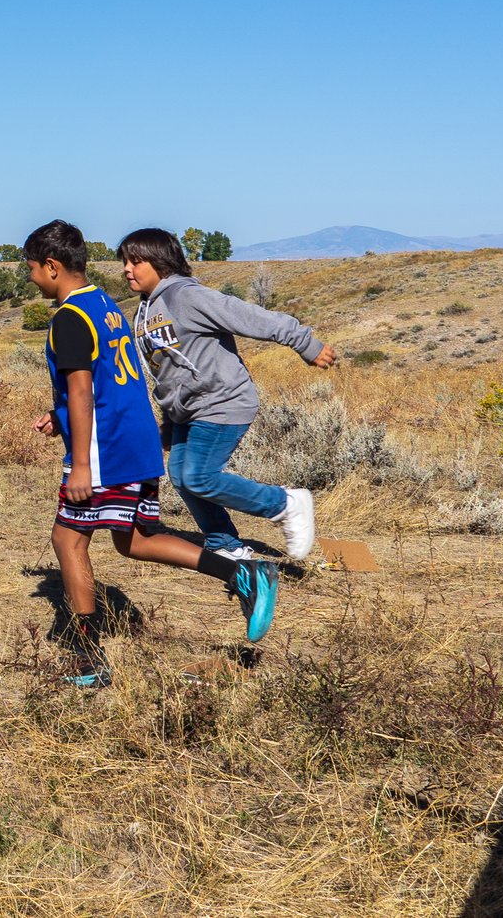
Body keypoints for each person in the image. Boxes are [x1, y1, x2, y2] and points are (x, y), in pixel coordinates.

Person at [25, 219, 278, 689]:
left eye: (33, 269)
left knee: (68, 541)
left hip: (105, 451)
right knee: (136, 540)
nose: (32, 278)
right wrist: (56, 415)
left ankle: (88, 658)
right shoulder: (107, 306)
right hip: (136, 440)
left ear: (53, 267)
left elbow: (82, 393)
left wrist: (80, 464)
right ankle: (242, 574)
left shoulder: (68, 318)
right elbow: (108, 381)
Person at [120, 227, 334, 565]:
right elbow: (167, 368)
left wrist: (305, 343)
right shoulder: (145, 309)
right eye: (125, 262)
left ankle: (286, 504)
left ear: (160, 262)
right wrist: (168, 418)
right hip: (187, 411)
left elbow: (251, 317)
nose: (127, 269)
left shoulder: (187, 296)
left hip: (222, 400)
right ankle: (225, 544)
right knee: (181, 476)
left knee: (200, 477)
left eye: (136, 261)